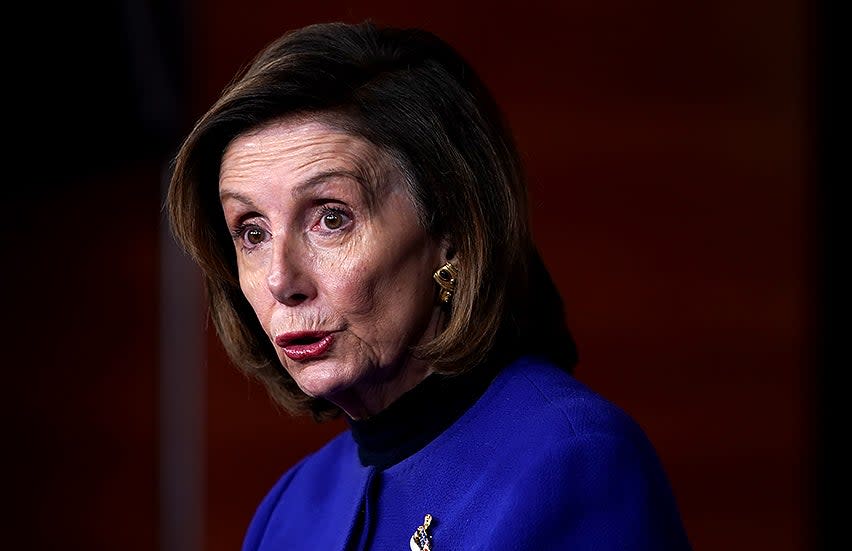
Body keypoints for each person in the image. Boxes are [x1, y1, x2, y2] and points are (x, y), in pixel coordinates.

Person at [167, 21, 692, 551]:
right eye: (252, 232)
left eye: (331, 219)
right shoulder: (290, 507)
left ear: (452, 230)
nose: (282, 280)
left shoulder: (575, 464)